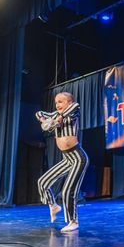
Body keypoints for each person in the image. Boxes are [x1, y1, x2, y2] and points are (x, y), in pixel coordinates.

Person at [36, 92, 89, 233]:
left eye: (61, 101)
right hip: (67, 159)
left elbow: (75, 106)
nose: (57, 104)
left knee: (67, 191)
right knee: (42, 182)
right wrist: (44, 120)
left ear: (69, 102)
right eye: (56, 102)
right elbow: (39, 113)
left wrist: (58, 118)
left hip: (78, 158)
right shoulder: (54, 115)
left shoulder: (73, 112)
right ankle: (53, 206)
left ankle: (73, 221)